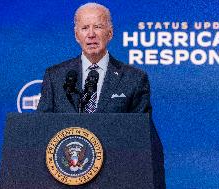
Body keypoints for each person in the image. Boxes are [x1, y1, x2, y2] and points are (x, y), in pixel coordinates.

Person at [37, 2, 165, 188]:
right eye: (85, 28)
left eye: (98, 27)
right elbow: (41, 129)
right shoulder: (55, 76)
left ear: (110, 33)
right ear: (76, 35)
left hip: (116, 178)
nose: (91, 34)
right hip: (65, 179)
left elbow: (142, 138)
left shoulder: (134, 79)